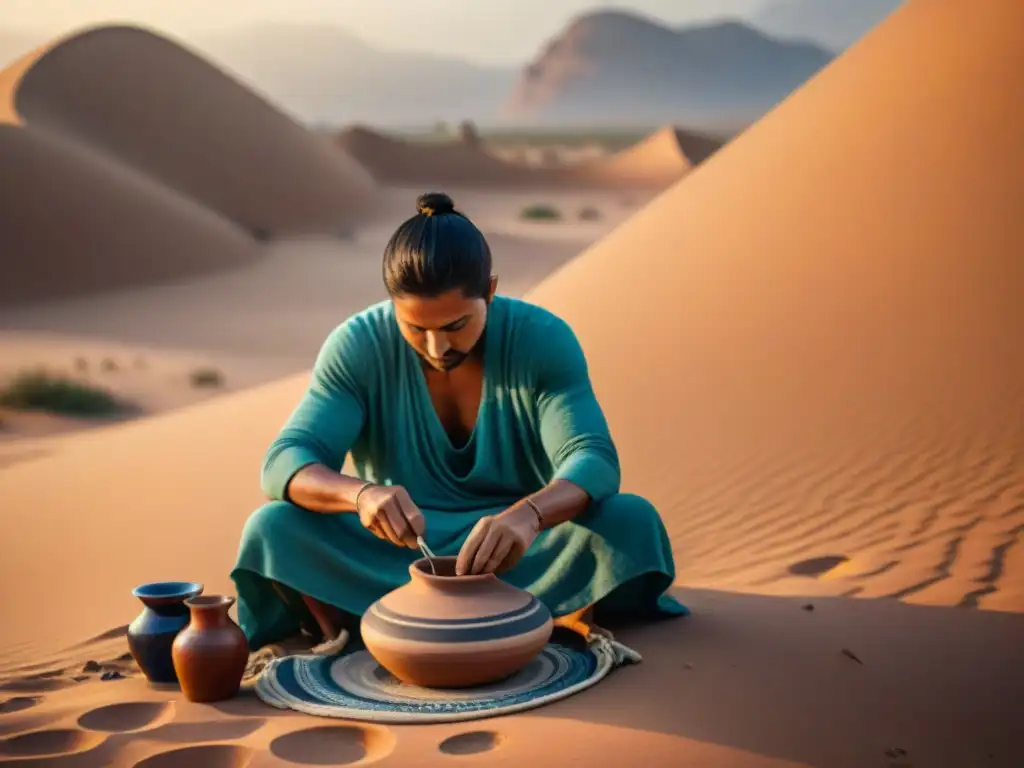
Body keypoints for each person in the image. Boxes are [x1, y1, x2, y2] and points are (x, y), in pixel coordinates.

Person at [231, 192, 687, 655]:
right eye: (414, 328)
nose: (435, 347)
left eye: (455, 326)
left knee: (631, 521)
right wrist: (361, 495)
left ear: (489, 291)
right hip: (401, 551)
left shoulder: (542, 339)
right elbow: (284, 463)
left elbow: (594, 460)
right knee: (272, 528)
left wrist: (528, 516)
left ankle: (398, 620)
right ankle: (515, 617)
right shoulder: (357, 345)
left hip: (512, 551)